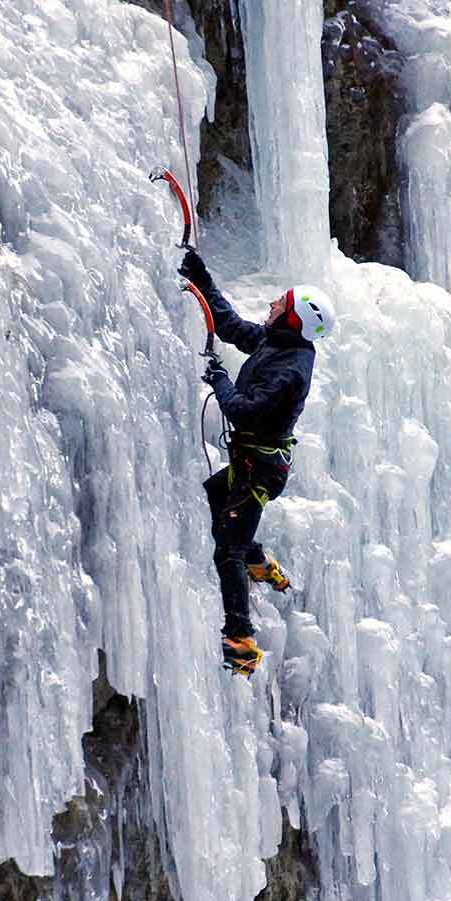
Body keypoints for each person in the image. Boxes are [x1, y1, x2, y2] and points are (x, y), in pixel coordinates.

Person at [178, 248, 335, 677]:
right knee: (216, 500)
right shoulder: (277, 340)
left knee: (225, 546)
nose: (271, 306)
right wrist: (200, 276)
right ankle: (259, 560)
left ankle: (241, 640)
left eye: (279, 304)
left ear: (294, 319)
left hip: (261, 471)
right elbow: (228, 326)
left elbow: (245, 411)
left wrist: (220, 379)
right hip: (249, 463)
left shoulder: (292, 370)